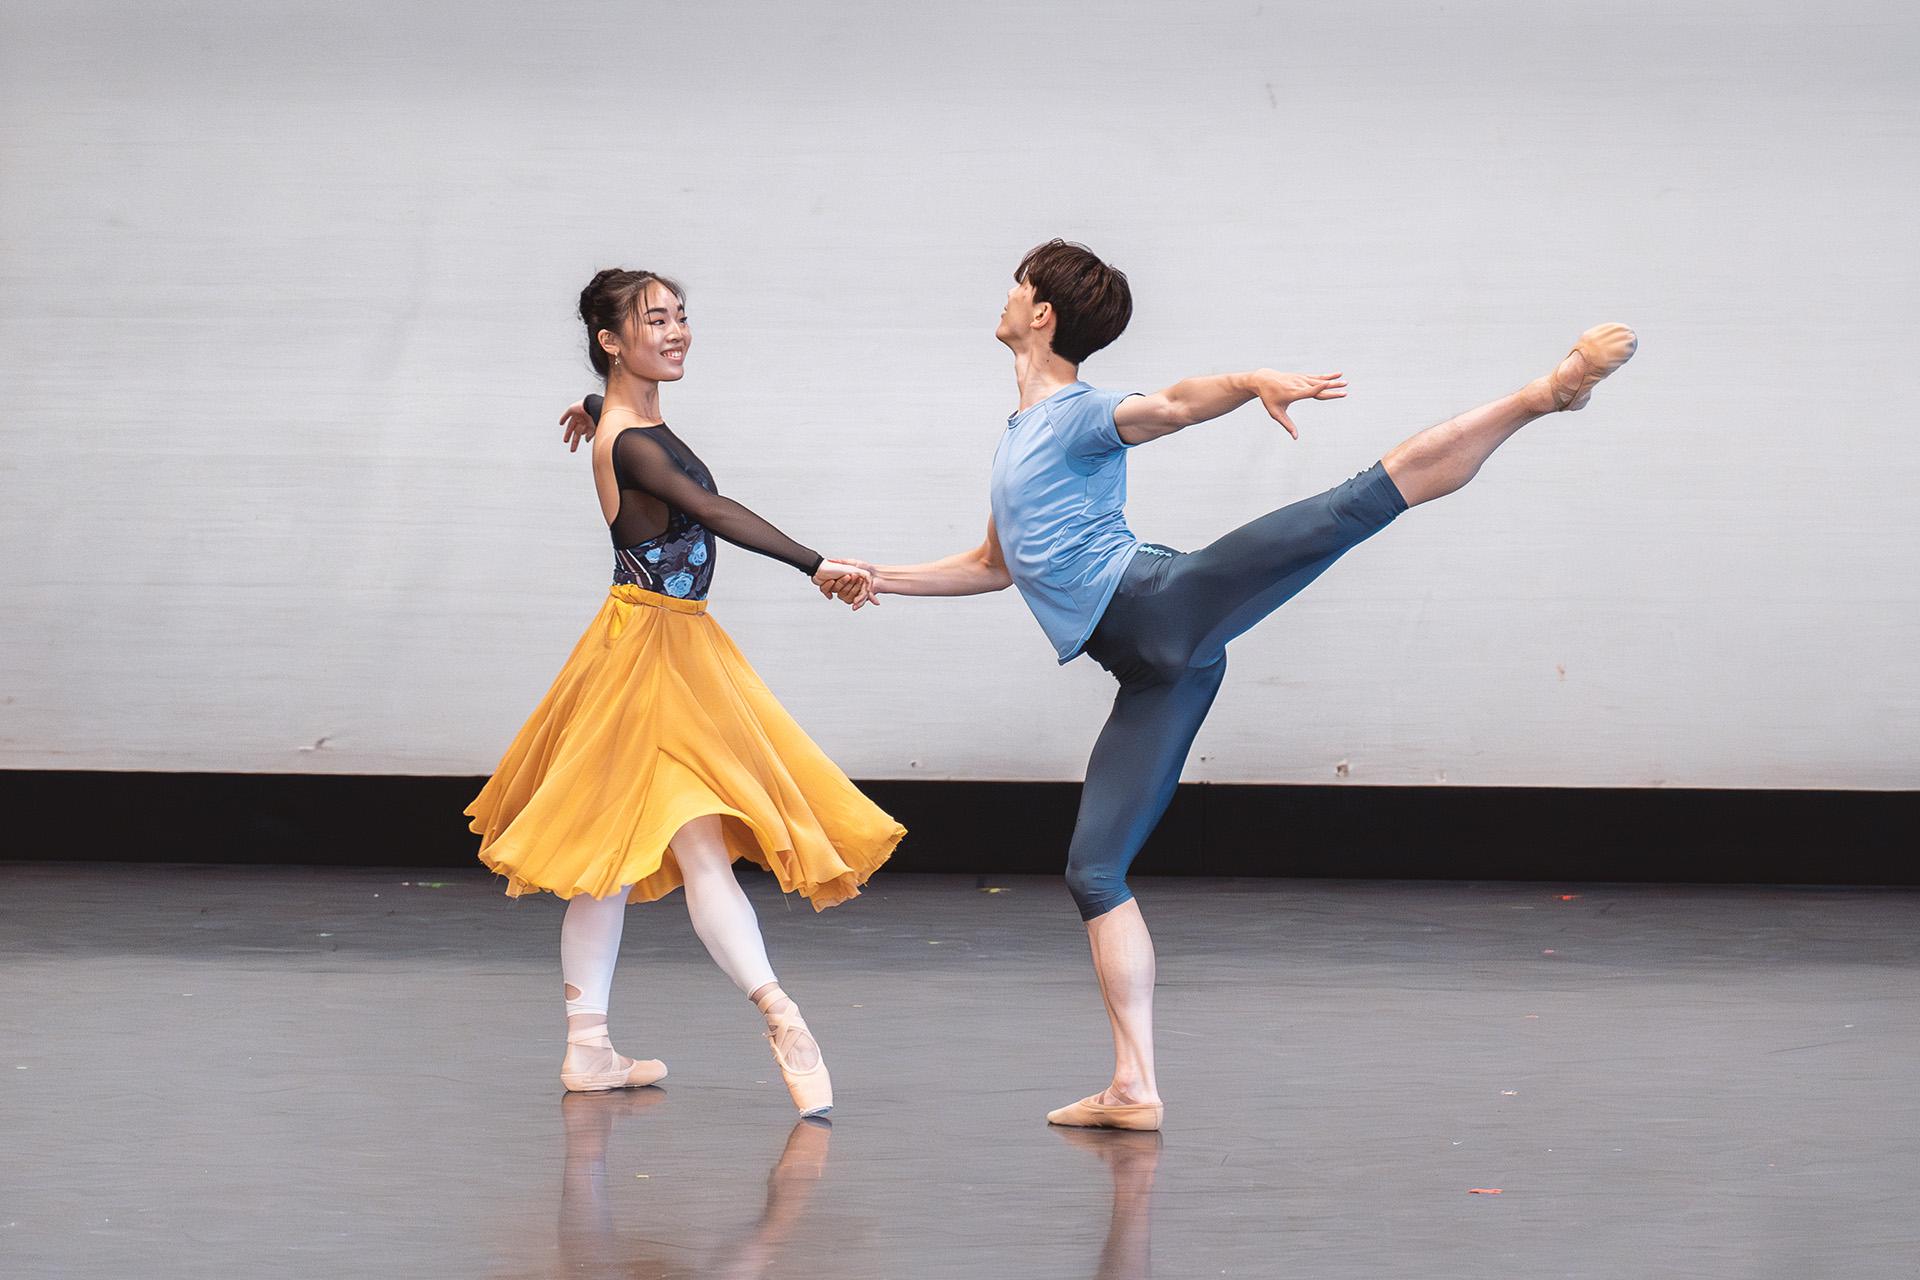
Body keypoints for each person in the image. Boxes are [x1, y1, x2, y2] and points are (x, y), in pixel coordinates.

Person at [835, 239, 1636, 1130]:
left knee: (1356, 503)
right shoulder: (1021, 435)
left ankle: (1541, 395)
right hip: (1149, 669)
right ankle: (1134, 1086)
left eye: (1017, 288)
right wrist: (879, 575)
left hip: (1161, 604)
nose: (1007, 298)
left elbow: (1171, 405)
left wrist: (1252, 378)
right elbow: (993, 566)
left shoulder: (1077, 413)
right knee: (1093, 871)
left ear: (1041, 315)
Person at [469, 268, 903, 1116]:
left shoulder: (623, 427)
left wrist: (590, 408)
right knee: (671, 851)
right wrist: (818, 564)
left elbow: (638, 449)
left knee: (614, 860)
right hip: (654, 657)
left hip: (649, 645)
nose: (675, 332)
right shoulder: (633, 441)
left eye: (680, 317)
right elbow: (711, 506)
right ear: (610, 340)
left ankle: (590, 1047)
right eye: (654, 320)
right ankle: (777, 1014)